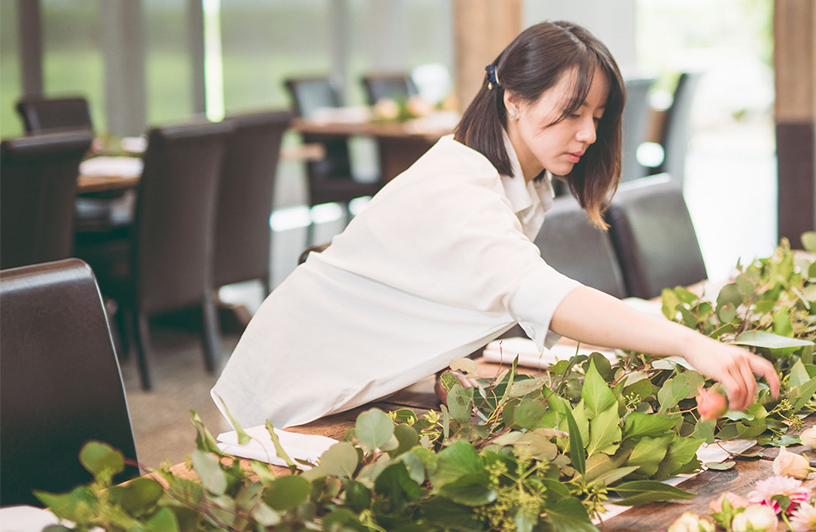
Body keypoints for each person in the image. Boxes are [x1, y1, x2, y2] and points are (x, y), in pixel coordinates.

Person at [212, 21, 779, 429]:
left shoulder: (526, 184)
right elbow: (542, 296)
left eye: (598, 118)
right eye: (573, 112)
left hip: (360, 384)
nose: (587, 134)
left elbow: (464, 293)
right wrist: (688, 344)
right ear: (514, 98)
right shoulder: (458, 187)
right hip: (292, 391)